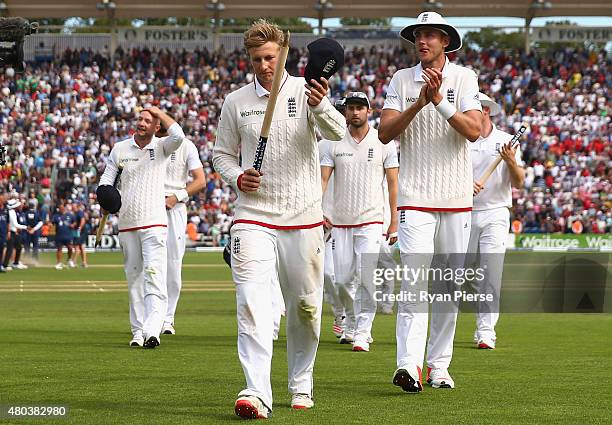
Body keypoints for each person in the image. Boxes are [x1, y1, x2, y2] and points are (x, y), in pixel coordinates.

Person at [213, 19, 345, 419]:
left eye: (270, 57)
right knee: (252, 304)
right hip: (253, 217)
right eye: (256, 59)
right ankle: (256, 392)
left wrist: (320, 104)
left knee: (306, 309)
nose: (264, 65)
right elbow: (221, 155)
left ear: (282, 54)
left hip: (303, 217)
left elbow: (337, 133)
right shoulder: (236, 101)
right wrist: (238, 176)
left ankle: (301, 383)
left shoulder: (306, 91)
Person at [379, 11, 482, 392]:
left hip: (456, 197)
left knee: (448, 288)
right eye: (418, 35)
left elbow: (473, 131)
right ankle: (408, 366)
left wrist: (439, 101)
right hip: (415, 196)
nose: (422, 41)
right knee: (414, 283)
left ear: (445, 42)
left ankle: (439, 366)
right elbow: (385, 133)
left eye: (430, 35)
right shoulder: (401, 80)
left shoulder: (465, 77)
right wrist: (419, 103)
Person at [99, 106, 185, 349]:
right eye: (140, 118)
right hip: (127, 224)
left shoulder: (161, 147)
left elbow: (179, 136)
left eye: (148, 120)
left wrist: (159, 111)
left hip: (154, 223)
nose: (142, 122)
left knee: (154, 277)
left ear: (157, 127)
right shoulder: (120, 149)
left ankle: (152, 331)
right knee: (134, 279)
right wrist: (105, 199)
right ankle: (138, 331)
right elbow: (107, 180)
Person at [320, 91, 399, 352]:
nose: (355, 112)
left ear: (369, 111)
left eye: (359, 108)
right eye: (350, 108)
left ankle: (363, 332)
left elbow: (393, 183)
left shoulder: (383, 141)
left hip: (371, 221)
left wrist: (394, 221)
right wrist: (318, 211)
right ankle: (351, 323)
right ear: (345, 112)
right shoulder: (333, 141)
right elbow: (323, 179)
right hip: (340, 223)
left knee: (366, 278)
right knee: (342, 280)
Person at [469, 93, 525, 350]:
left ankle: (485, 331)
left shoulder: (506, 141)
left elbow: (519, 182)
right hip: (464, 212)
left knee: (491, 274)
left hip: (496, 212)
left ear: (486, 111)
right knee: (458, 274)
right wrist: (465, 184)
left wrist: (511, 162)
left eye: (472, 109)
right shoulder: (460, 138)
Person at [156, 123, 205, 336]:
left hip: (174, 208)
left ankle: (167, 318)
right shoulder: (142, 145)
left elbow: (200, 180)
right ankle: (149, 317)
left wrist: (177, 197)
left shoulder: (186, 146)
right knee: (145, 266)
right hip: (147, 207)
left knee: (173, 267)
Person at [3, 198, 28, 271]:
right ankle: (5, 265)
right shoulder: (11, 212)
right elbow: (15, 224)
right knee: (10, 249)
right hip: (11, 232)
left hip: (14, 232)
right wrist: (26, 227)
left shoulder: (12, 211)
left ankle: (16, 263)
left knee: (19, 247)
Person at [52, 203, 75, 270]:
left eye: (62, 208)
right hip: (59, 235)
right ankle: (58, 263)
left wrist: (73, 225)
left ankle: (69, 260)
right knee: (59, 249)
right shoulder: (56, 216)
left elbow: (74, 222)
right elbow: (52, 223)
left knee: (70, 248)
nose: (61, 209)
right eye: (60, 208)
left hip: (68, 235)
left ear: (64, 208)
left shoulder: (69, 215)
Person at [71, 203, 89, 267]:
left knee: (78, 246)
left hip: (81, 232)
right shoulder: (76, 213)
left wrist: (80, 228)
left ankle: (74, 262)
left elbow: (83, 220)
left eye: (74, 206)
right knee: (81, 247)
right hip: (79, 231)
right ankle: (84, 262)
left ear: (77, 207)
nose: (72, 208)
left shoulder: (79, 212)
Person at [0, 196, 8, 273]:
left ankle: (1, 265)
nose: (2, 200)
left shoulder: (5, 210)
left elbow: (7, 222)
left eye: (2, 199)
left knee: (2, 250)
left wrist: (8, 232)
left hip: (3, 234)